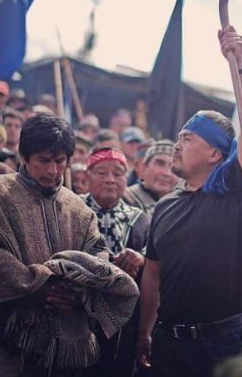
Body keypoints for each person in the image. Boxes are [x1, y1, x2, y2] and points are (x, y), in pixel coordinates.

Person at [0, 114, 138, 376]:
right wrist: (35, 286)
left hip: (60, 353)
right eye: (43, 160)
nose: (52, 171)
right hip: (0, 340)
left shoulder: (79, 210)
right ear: (24, 157)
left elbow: (97, 258)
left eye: (60, 161)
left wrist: (75, 294)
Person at [136, 26, 242, 377]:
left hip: (225, 345)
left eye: (188, 138)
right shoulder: (165, 207)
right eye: (178, 137)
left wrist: (239, 63)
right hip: (169, 341)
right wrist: (145, 331)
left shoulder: (237, 192)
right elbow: (152, 273)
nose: (177, 145)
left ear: (214, 154)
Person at [82, 147, 151, 376]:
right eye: (101, 173)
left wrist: (140, 257)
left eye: (118, 173)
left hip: (125, 321)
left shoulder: (140, 219)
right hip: (78, 315)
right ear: (87, 177)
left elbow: (155, 258)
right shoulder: (73, 209)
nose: (110, 179)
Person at [123, 140, 176, 218]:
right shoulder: (125, 198)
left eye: (173, 167)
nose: (166, 173)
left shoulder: (183, 205)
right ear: (145, 168)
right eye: (160, 164)